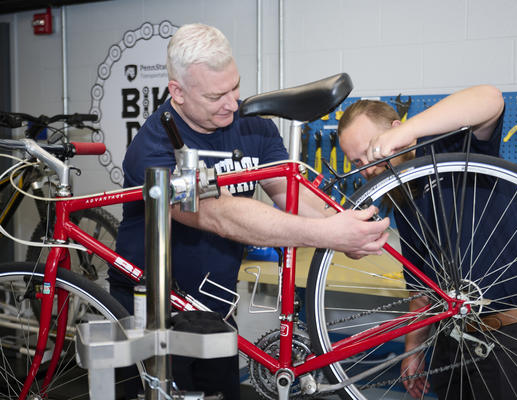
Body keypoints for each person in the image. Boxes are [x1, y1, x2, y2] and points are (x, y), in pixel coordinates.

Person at [110, 23, 389, 399]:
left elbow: (288, 194)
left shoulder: (252, 127)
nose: (231, 103)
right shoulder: (154, 146)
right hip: (149, 308)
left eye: (235, 87)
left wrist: (342, 228)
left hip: (214, 309)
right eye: (215, 96)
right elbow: (215, 215)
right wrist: (327, 234)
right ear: (177, 92)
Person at [337, 85, 517, 399]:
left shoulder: (450, 147)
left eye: (372, 150)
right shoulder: (403, 194)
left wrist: (409, 131)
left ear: (395, 132)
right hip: (452, 338)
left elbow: (490, 99)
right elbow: (421, 288)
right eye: (357, 162)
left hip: (514, 333)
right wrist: (412, 351)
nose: (368, 167)